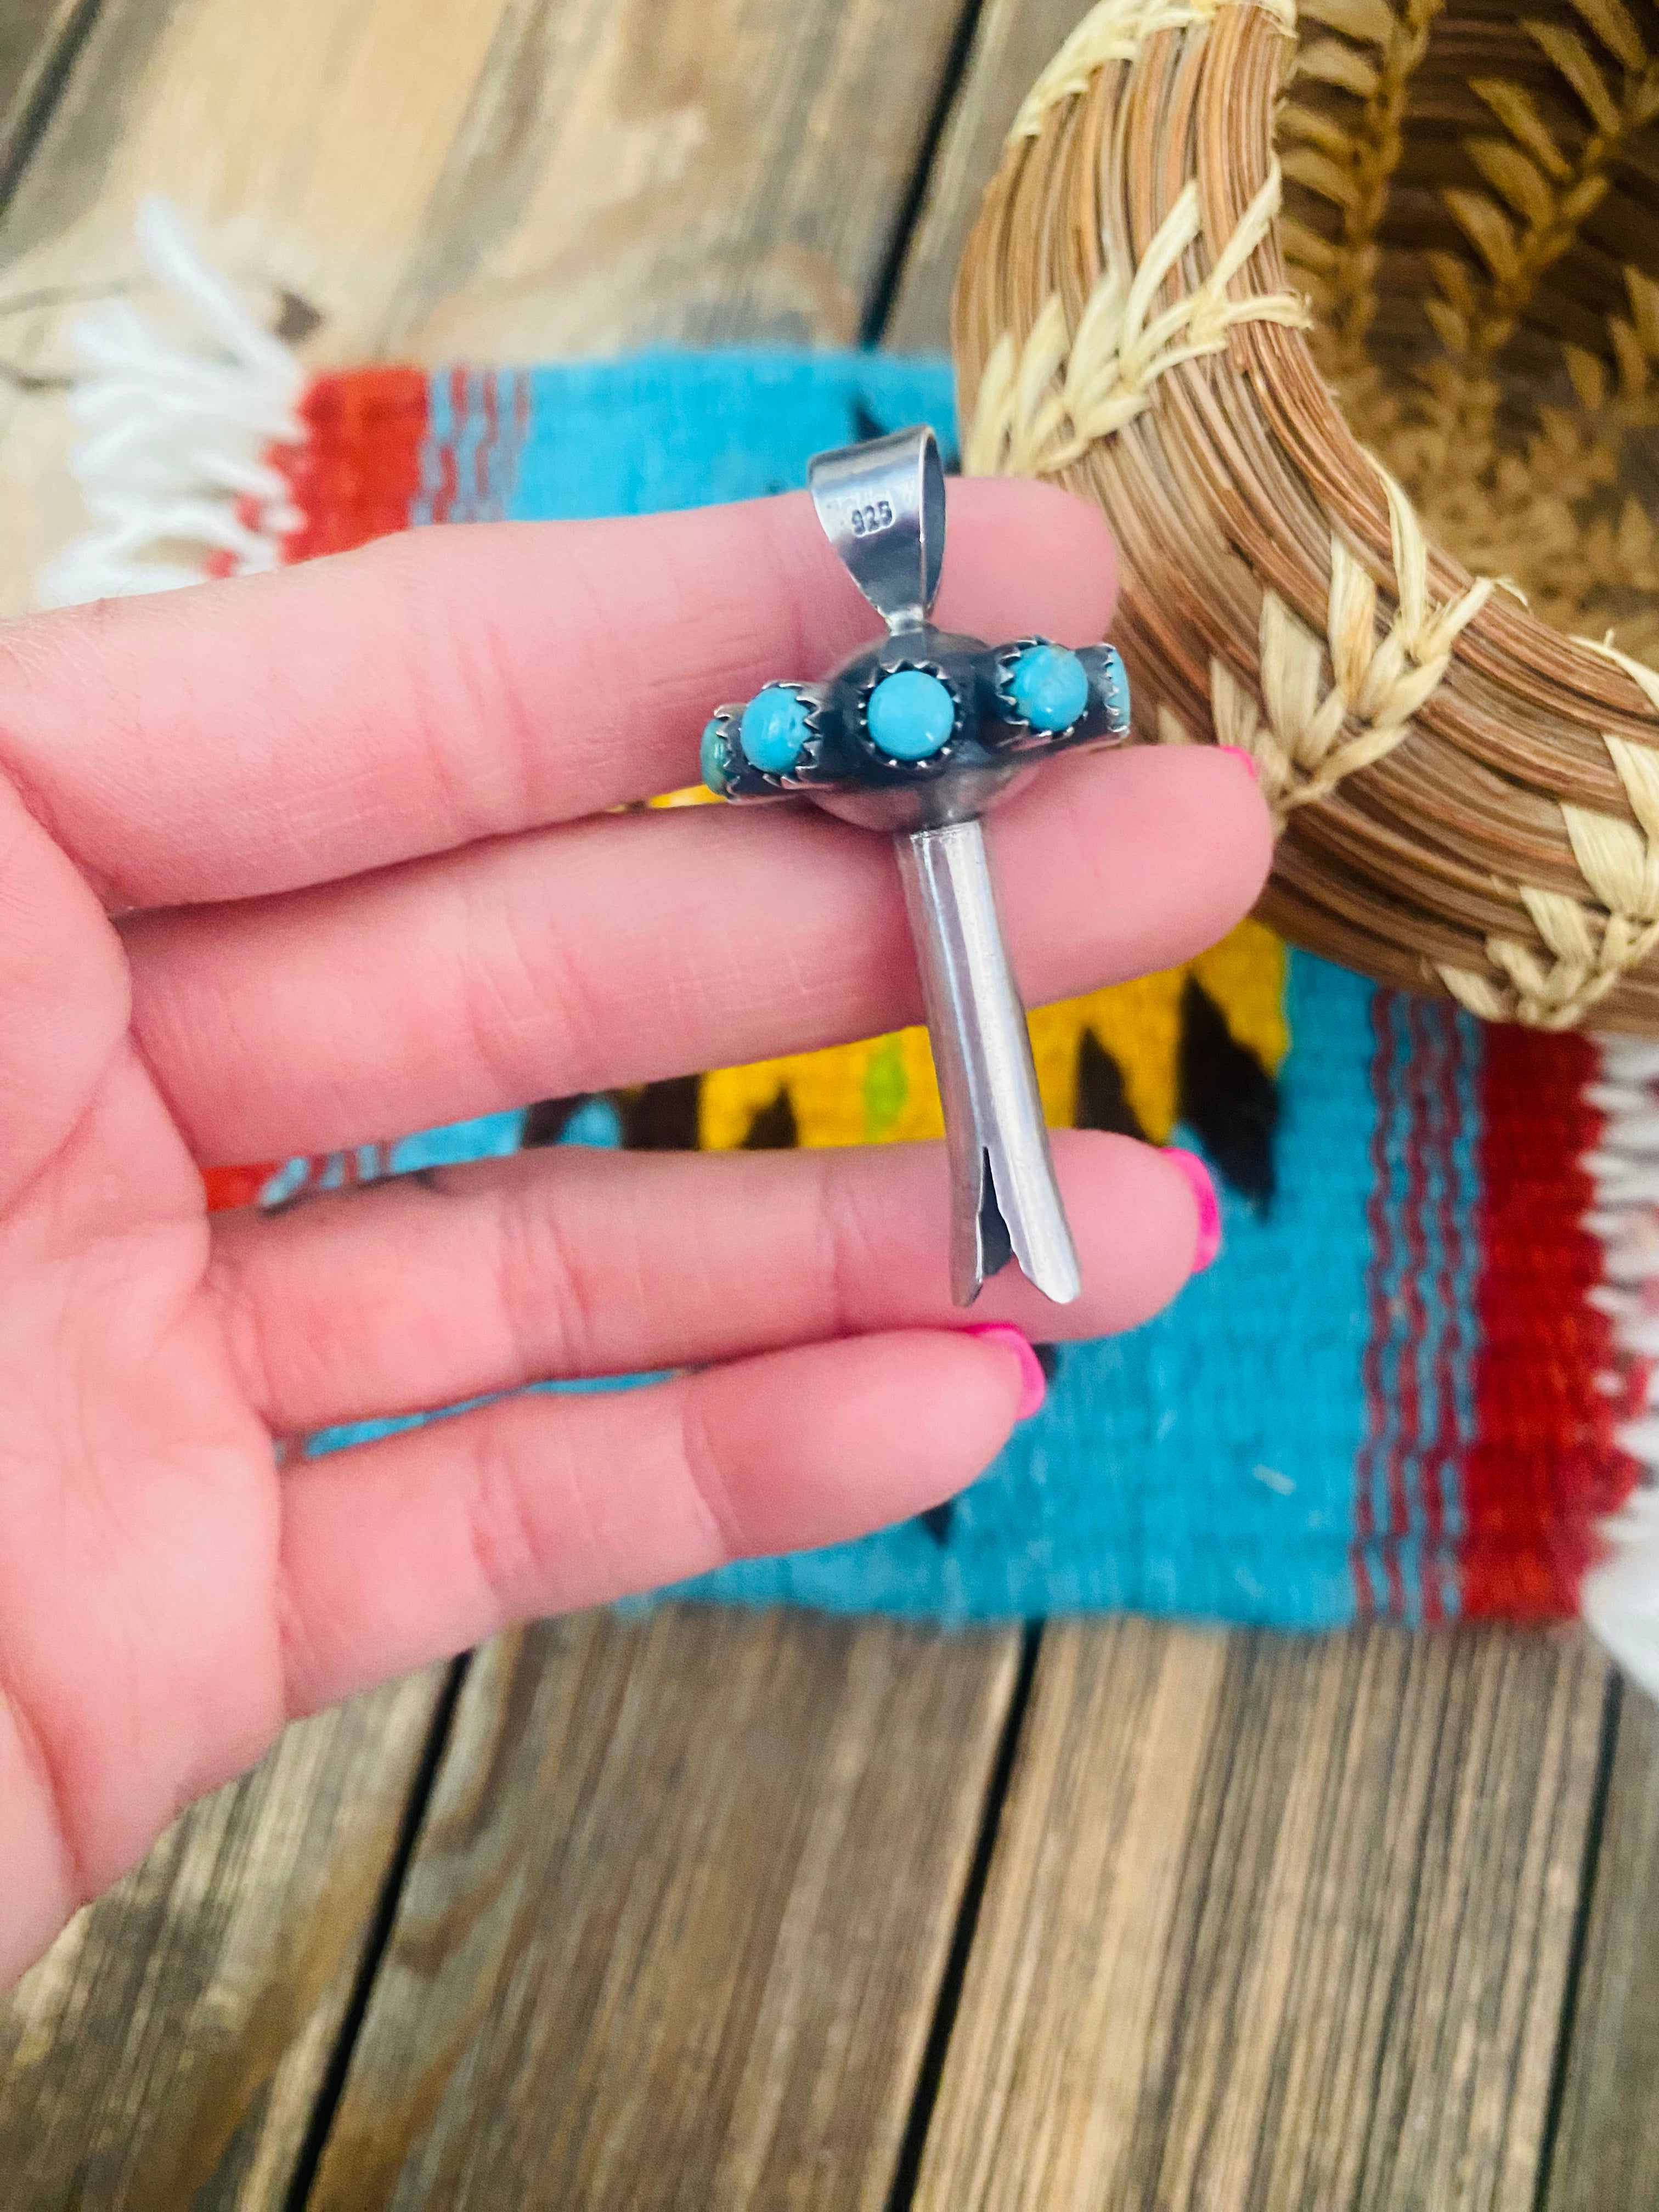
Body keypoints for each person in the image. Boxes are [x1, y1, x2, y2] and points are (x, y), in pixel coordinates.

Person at [0, 476, 1269, 1983]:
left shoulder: (954, 694)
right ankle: (1004, 1230)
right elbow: (755, 744)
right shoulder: (860, 710)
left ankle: (1010, 1230)